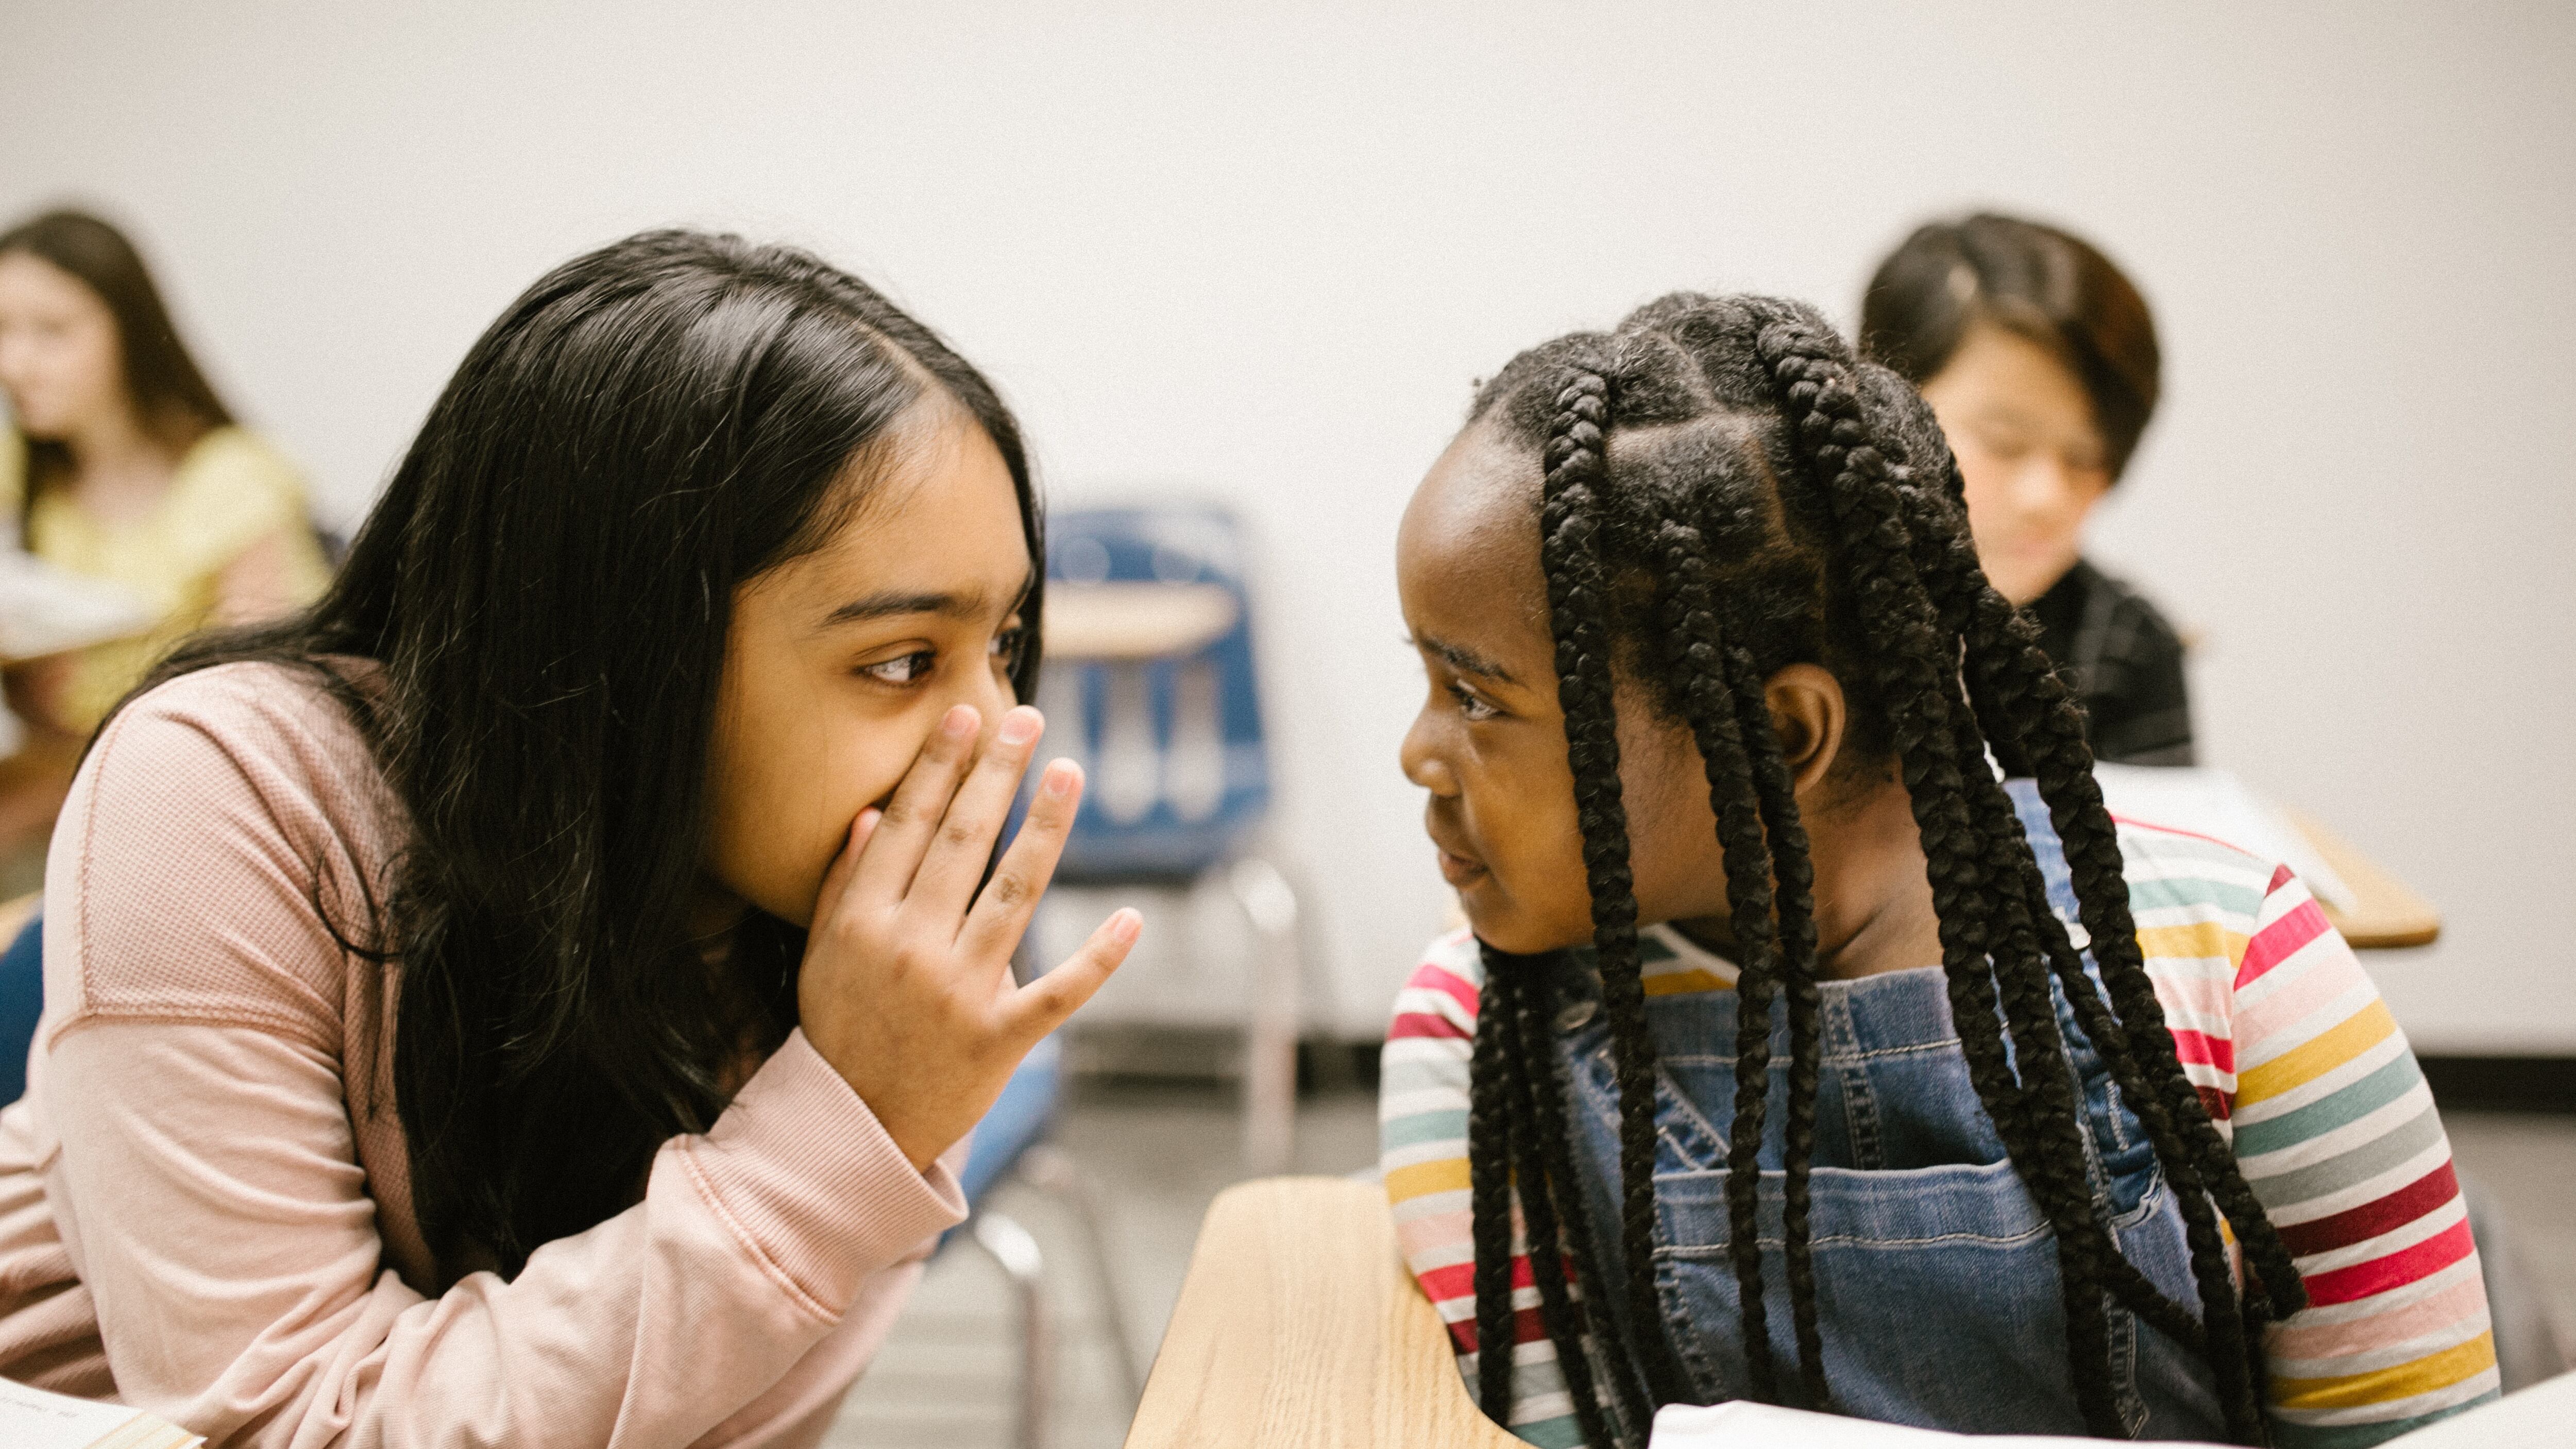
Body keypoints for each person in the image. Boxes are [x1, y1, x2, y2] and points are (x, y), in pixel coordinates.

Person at [0, 229, 1141, 1446]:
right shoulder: (225, 784)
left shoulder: (865, 972)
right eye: (901, 659)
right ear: (620, 653)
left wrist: (860, 1106)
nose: (1000, 735)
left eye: (1006, 643)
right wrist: (837, 1131)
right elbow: (278, 1427)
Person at [1381, 295, 2494, 1447]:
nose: (1417, 751)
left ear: (1782, 737)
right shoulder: (1474, 1027)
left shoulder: (2243, 974)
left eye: (1474, 695)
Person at [1860, 213, 2193, 765]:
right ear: (1880, 403)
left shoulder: (2124, 646)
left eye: (2086, 458)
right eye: (2004, 442)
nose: (2047, 498)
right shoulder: (1785, 600)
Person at [0, 209, 332, 739]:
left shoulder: (234, 476)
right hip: (69, 766)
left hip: (192, 769)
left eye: (52, 331)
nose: (14, 363)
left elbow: (262, 701)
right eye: (2, 330)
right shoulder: (20, 462)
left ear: (127, 328)